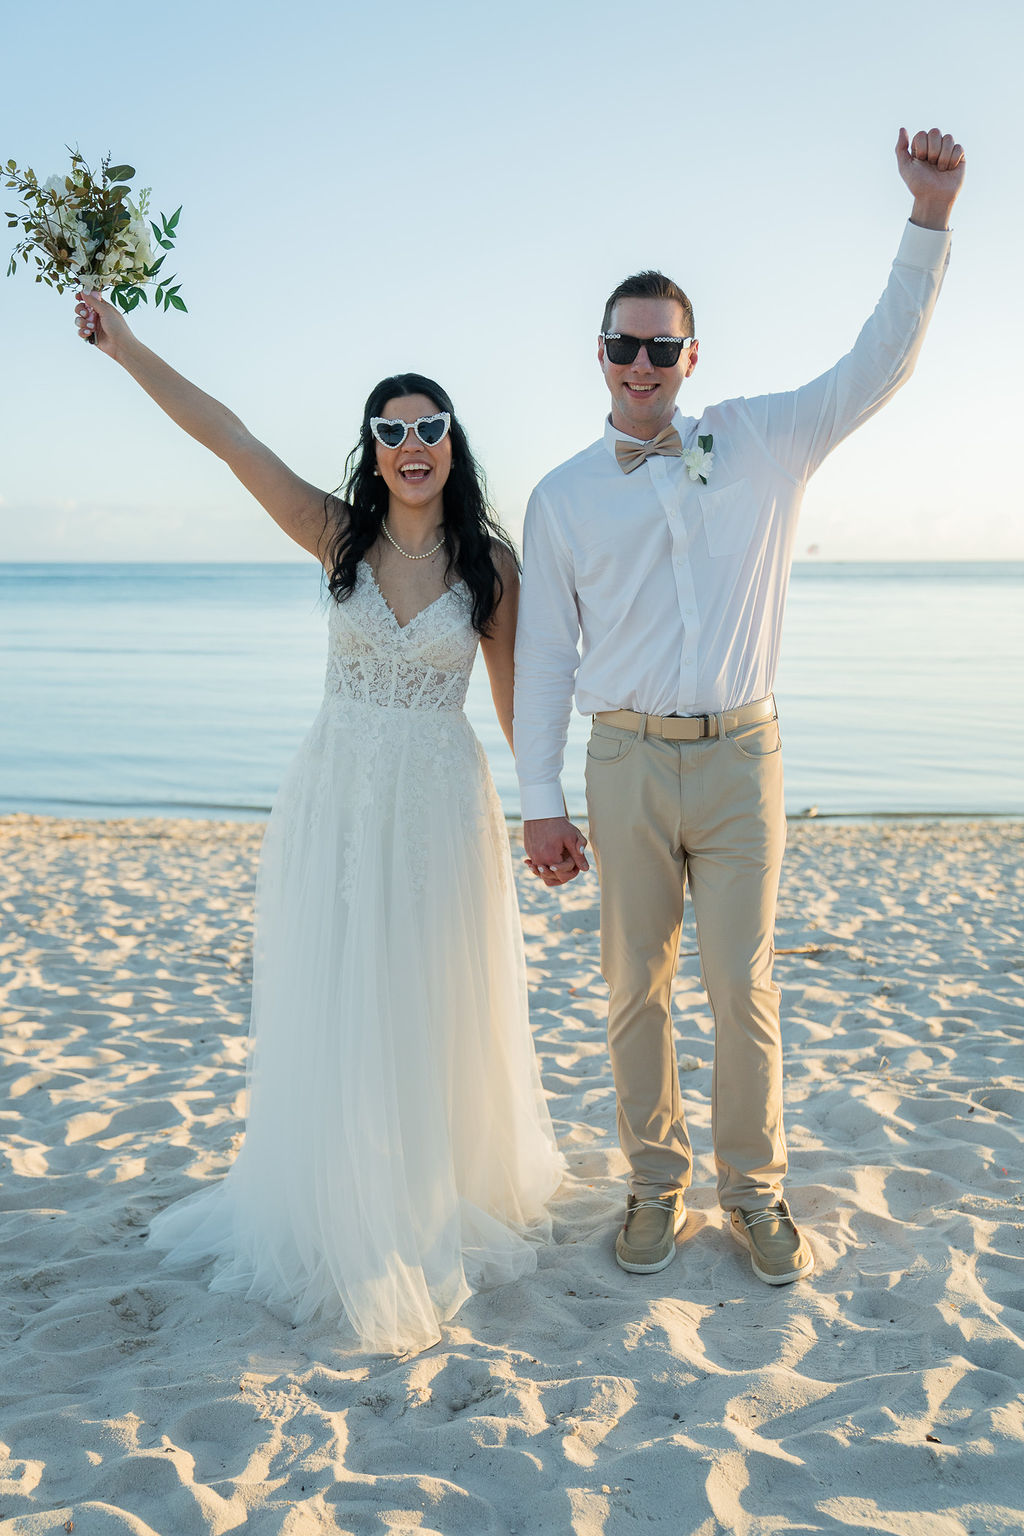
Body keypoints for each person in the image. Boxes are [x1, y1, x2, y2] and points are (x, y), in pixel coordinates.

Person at [512, 127, 965, 1285]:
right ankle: (653, 1188)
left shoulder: (762, 439)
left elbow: (876, 363)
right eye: (624, 345)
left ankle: (754, 1193)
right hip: (622, 761)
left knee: (741, 986)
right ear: (599, 353)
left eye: (660, 346)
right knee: (634, 992)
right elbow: (547, 655)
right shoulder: (562, 497)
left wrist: (926, 219)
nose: (641, 364)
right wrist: (540, 800)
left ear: (690, 354)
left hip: (740, 759)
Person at [73, 293, 564, 1354]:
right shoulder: (336, 535)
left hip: (438, 804)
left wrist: (551, 811)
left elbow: (519, 704)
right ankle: (337, 1190)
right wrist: (127, 347)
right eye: (390, 429)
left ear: (452, 443)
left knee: (424, 994)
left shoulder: (492, 567)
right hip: (337, 796)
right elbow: (229, 436)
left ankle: (425, 1192)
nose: (411, 443)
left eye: (428, 425)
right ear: (373, 451)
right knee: (340, 988)